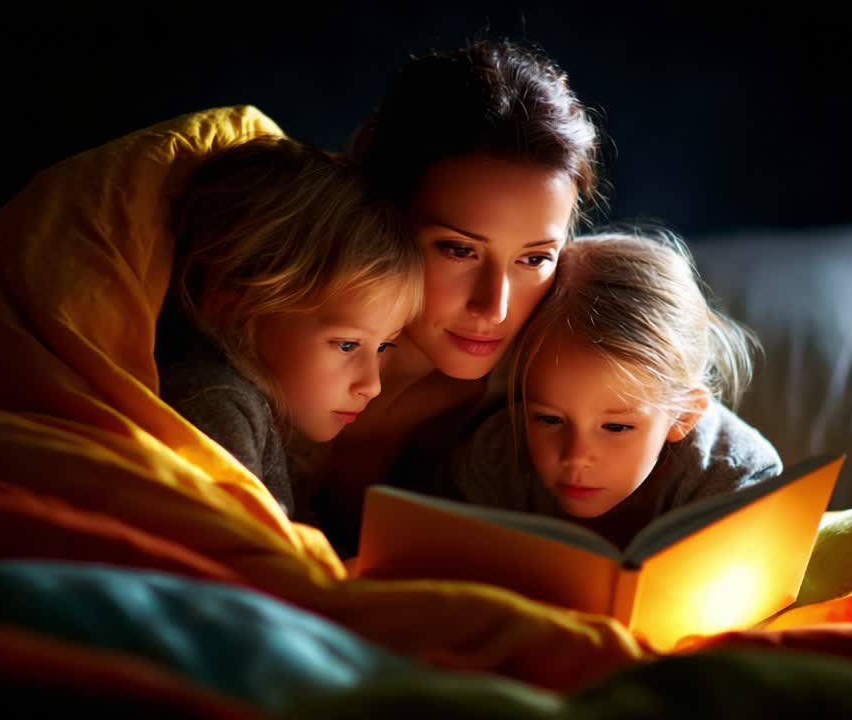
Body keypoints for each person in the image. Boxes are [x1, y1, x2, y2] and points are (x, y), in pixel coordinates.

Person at [309, 38, 604, 554]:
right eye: (458, 250)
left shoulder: (541, 380)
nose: (495, 308)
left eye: (534, 259)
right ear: (384, 211)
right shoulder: (270, 343)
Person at [446, 230, 783, 550]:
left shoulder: (738, 482)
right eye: (548, 419)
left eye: (616, 427)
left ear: (683, 413)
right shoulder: (493, 460)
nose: (575, 456)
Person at [154, 135, 423, 519]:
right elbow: (243, 554)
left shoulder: (282, 415)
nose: (373, 384)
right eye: (347, 345)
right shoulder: (215, 402)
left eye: (382, 348)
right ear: (233, 305)